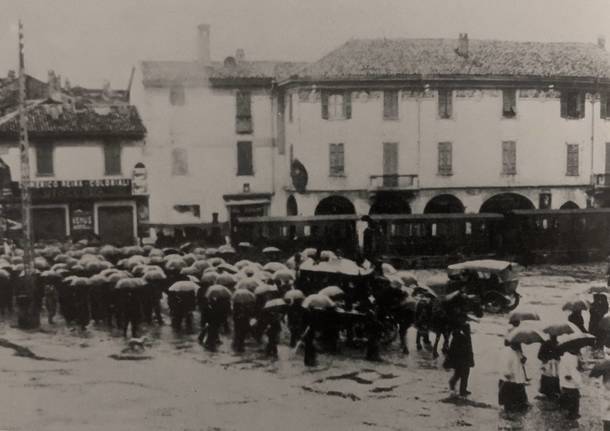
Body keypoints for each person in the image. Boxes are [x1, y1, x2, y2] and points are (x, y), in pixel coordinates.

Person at [445, 315, 474, 397]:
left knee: (460, 373)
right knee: (464, 373)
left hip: (462, 358)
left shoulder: (459, 334)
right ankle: (462, 390)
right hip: (462, 358)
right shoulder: (461, 335)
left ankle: (459, 388)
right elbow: (464, 348)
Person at [499, 342, 529, 412]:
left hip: (517, 377)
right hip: (509, 378)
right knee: (509, 398)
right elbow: (504, 364)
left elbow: (521, 360)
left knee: (517, 397)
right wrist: (507, 373)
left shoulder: (518, 351)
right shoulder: (507, 351)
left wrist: (523, 359)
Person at [559, 347, 582, 420]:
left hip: (572, 381)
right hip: (570, 381)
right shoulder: (566, 357)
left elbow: (578, 368)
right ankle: (572, 413)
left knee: (574, 398)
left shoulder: (574, 356)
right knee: (573, 398)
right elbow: (563, 369)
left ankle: (573, 412)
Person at [537, 335, 561, 399]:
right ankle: (548, 392)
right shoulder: (545, 344)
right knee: (548, 377)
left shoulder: (559, 344)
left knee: (554, 377)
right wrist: (548, 358)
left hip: (555, 365)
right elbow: (540, 355)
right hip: (547, 364)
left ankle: (553, 392)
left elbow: (560, 355)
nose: (554, 337)